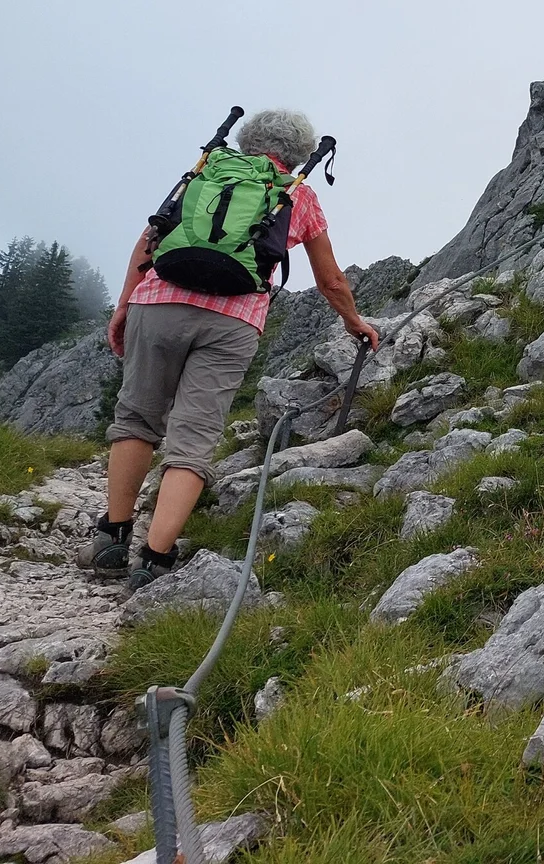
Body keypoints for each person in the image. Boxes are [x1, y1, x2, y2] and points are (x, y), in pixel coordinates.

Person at [81, 109, 382, 589]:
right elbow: (331, 278)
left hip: (157, 302)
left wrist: (123, 307)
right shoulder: (298, 195)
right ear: (301, 153)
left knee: (137, 416)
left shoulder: (205, 173)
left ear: (246, 140)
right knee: (195, 436)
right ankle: (154, 560)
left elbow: (150, 239)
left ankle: (112, 538)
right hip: (233, 321)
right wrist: (354, 321)